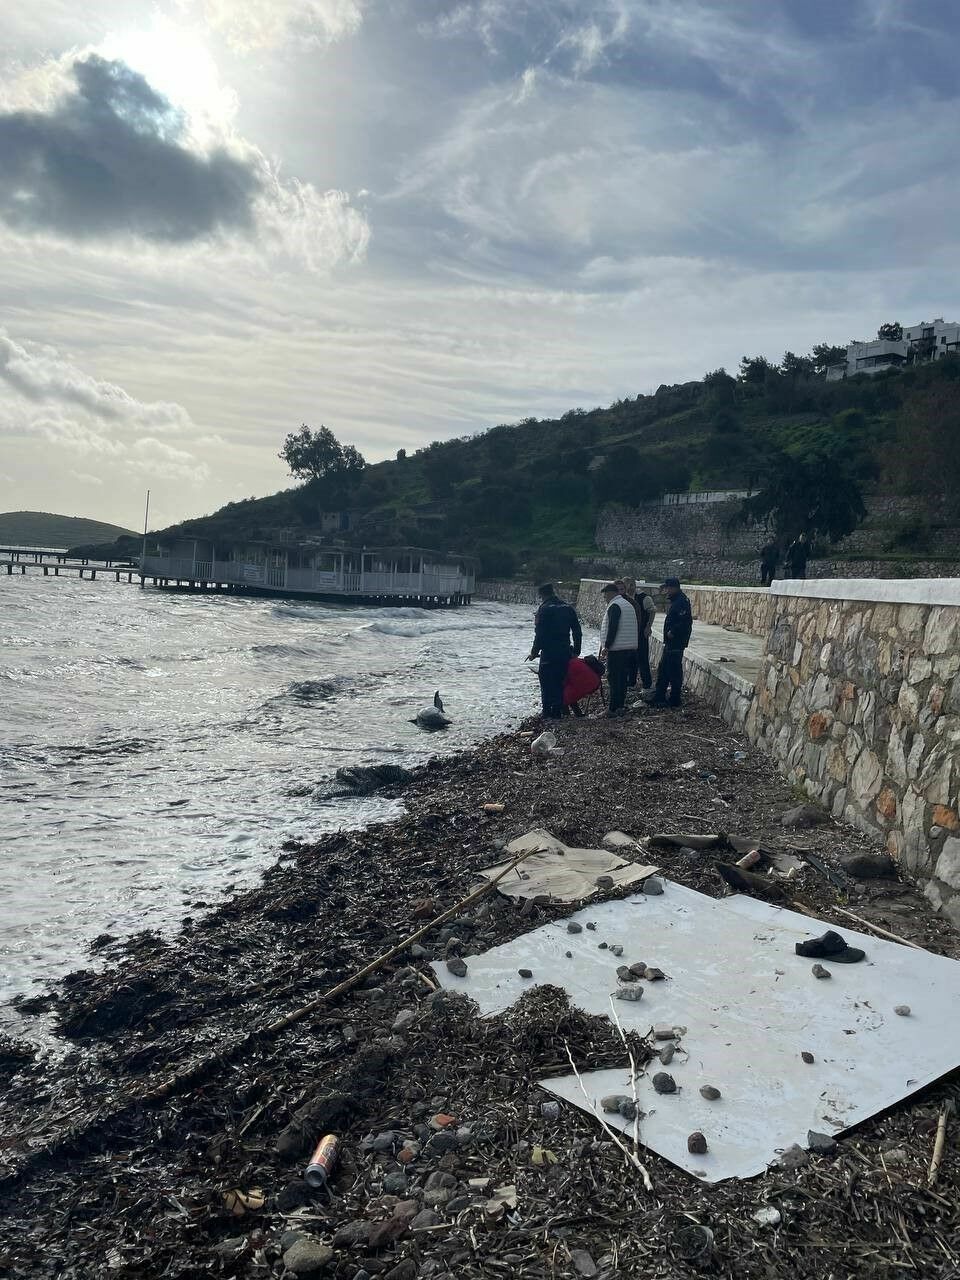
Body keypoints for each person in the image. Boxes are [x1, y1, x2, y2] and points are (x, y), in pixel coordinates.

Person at [526, 583, 582, 719]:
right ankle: (557, 711)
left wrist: (534, 652)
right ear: (553, 592)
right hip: (564, 651)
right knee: (560, 682)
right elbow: (577, 631)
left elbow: (539, 634)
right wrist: (576, 650)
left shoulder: (544, 609)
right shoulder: (567, 607)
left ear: (542, 595)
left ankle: (547, 713)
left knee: (546, 682)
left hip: (549, 652)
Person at [651, 577, 692, 708]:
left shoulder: (681, 602)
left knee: (673, 671)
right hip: (671, 642)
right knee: (664, 669)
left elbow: (685, 622)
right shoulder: (677, 600)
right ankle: (660, 696)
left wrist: (672, 632)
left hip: (676, 642)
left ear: (674, 588)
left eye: (668, 588)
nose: (666, 591)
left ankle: (674, 699)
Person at [598, 581, 638, 717]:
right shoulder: (627, 604)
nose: (605, 599)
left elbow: (613, 627)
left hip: (617, 649)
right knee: (622, 678)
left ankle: (612, 708)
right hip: (629, 647)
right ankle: (620, 706)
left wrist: (607, 646)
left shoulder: (615, 606)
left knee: (614, 679)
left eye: (605, 596)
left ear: (610, 594)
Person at [622, 576, 655, 690]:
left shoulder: (643, 598)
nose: (630, 587)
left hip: (641, 633)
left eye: (632, 585)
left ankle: (647, 684)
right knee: (630, 659)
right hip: (629, 633)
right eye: (628, 585)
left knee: (642, 659)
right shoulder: (623, 598)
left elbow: (652, 611)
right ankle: (630, 682)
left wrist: (648, 626)